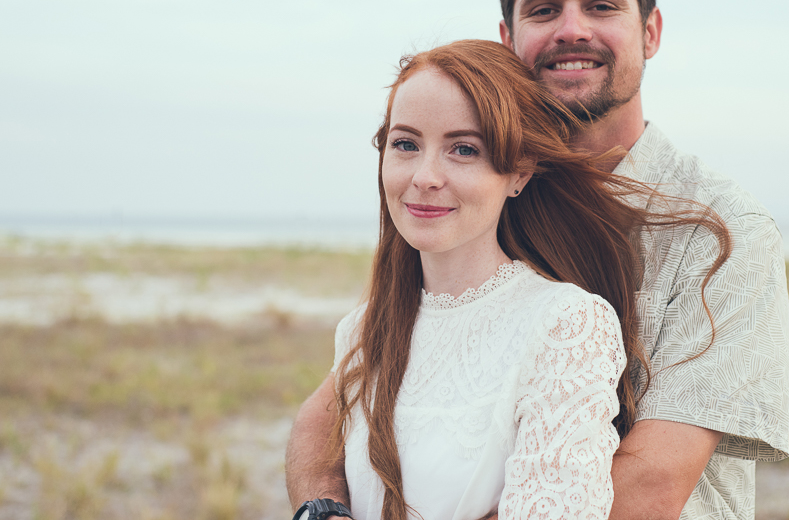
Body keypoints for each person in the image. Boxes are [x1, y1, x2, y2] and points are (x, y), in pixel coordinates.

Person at [288, 0, 789, 520]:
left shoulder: (722, 229)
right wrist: (322, 509)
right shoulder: (482, 194)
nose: (571, 29)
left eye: (602, 4)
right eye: (544, 8)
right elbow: (331, 410)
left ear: (652, 31)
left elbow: (652, 484)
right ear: (509, 37)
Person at [311, 39, 728, 520]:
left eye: (464, 149)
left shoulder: (567, 325)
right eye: (406, 144)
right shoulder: (361, 331)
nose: (425, 176)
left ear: (520, 171)